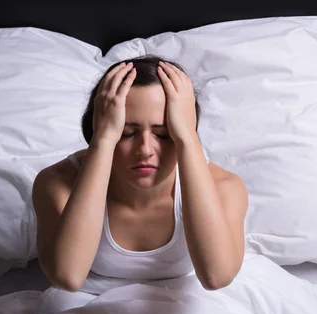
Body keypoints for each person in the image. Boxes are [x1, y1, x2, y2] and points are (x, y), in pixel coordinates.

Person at [31, 55, 248, 293]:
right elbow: (67, 277)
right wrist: (102, 140)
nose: (145, 150)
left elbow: (216, 277)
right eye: (126, 133)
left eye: (164, 134)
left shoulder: (225, 187)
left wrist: (187, 139)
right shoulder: (56, 183)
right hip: (87, 307)